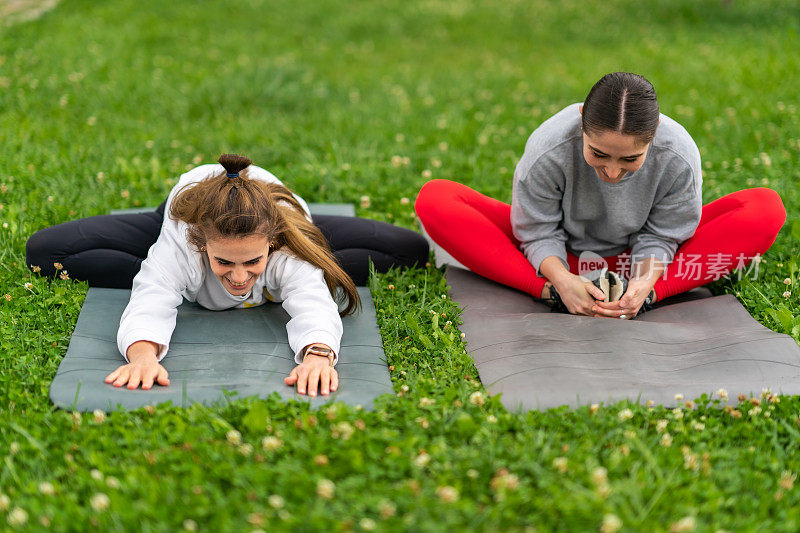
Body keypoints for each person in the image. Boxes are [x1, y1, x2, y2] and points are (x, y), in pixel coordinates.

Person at [27, 154, 429, 395]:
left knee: (409, 251)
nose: (239, 277)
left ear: (271, 246)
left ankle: (274, 254)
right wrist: (143, 354)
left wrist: (319, 356)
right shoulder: (183, 242)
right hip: (182, 215)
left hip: (283, 220)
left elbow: (312, 300)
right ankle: (158, 258)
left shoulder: (287, 245)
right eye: (224, 263)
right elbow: (152, 295)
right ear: (202, 247)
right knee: (45, 252)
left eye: (252, 263)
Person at [416, 72, 786, 319]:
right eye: (598, 154)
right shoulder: (549, 146)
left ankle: (648, 296)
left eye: (630, 159)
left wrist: (645, 284)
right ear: (581, 125)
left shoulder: (678, 154)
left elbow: (663, 234)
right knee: (436, 199)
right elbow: (537, 230)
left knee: (764, 209)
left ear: (653, 135)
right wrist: (559, 281)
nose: (611, 172)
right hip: (557, 259)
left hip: (643, 263)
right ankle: (549, 292)